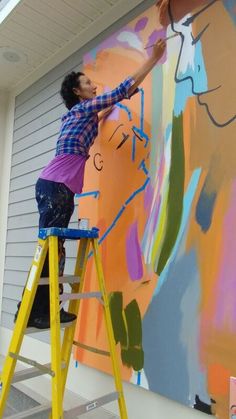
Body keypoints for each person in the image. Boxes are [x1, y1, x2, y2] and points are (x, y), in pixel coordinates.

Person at [14, 38, 166, 329]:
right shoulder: (80, 111)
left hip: (56, 187)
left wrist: (106, 112)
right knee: (50, 249)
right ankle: (33, 310)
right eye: (88, 83)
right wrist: (153, 58)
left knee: (54, 249)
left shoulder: (79, 116)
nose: (94, 86)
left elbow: (102, 112)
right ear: (77, 92)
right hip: (55, 186)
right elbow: (121, 91)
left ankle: (45, 309)